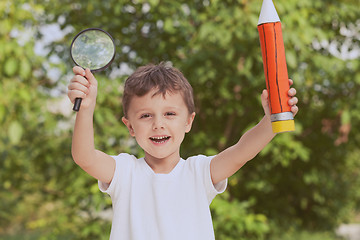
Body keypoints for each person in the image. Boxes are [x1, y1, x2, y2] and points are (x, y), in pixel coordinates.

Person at [67, 62, 298, 240]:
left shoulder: (198, 172)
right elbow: (84, 156)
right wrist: (85, 109)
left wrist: (271, 121)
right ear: (130, 127)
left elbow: (241, 152)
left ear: (188, 121)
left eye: (170, 114)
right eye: (146, 116)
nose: (158, 124)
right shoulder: (125, 172)